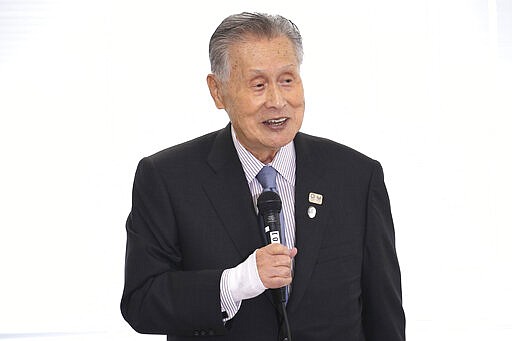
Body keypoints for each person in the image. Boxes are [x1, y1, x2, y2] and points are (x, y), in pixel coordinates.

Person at [121, 12, 405, 341]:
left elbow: (384, 313)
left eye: (287, 80)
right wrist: (237, 282)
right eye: (258, 85)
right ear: (218, 91)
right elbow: (142, 302)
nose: (277, 101)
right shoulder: (167, 178)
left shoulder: (356, 176)